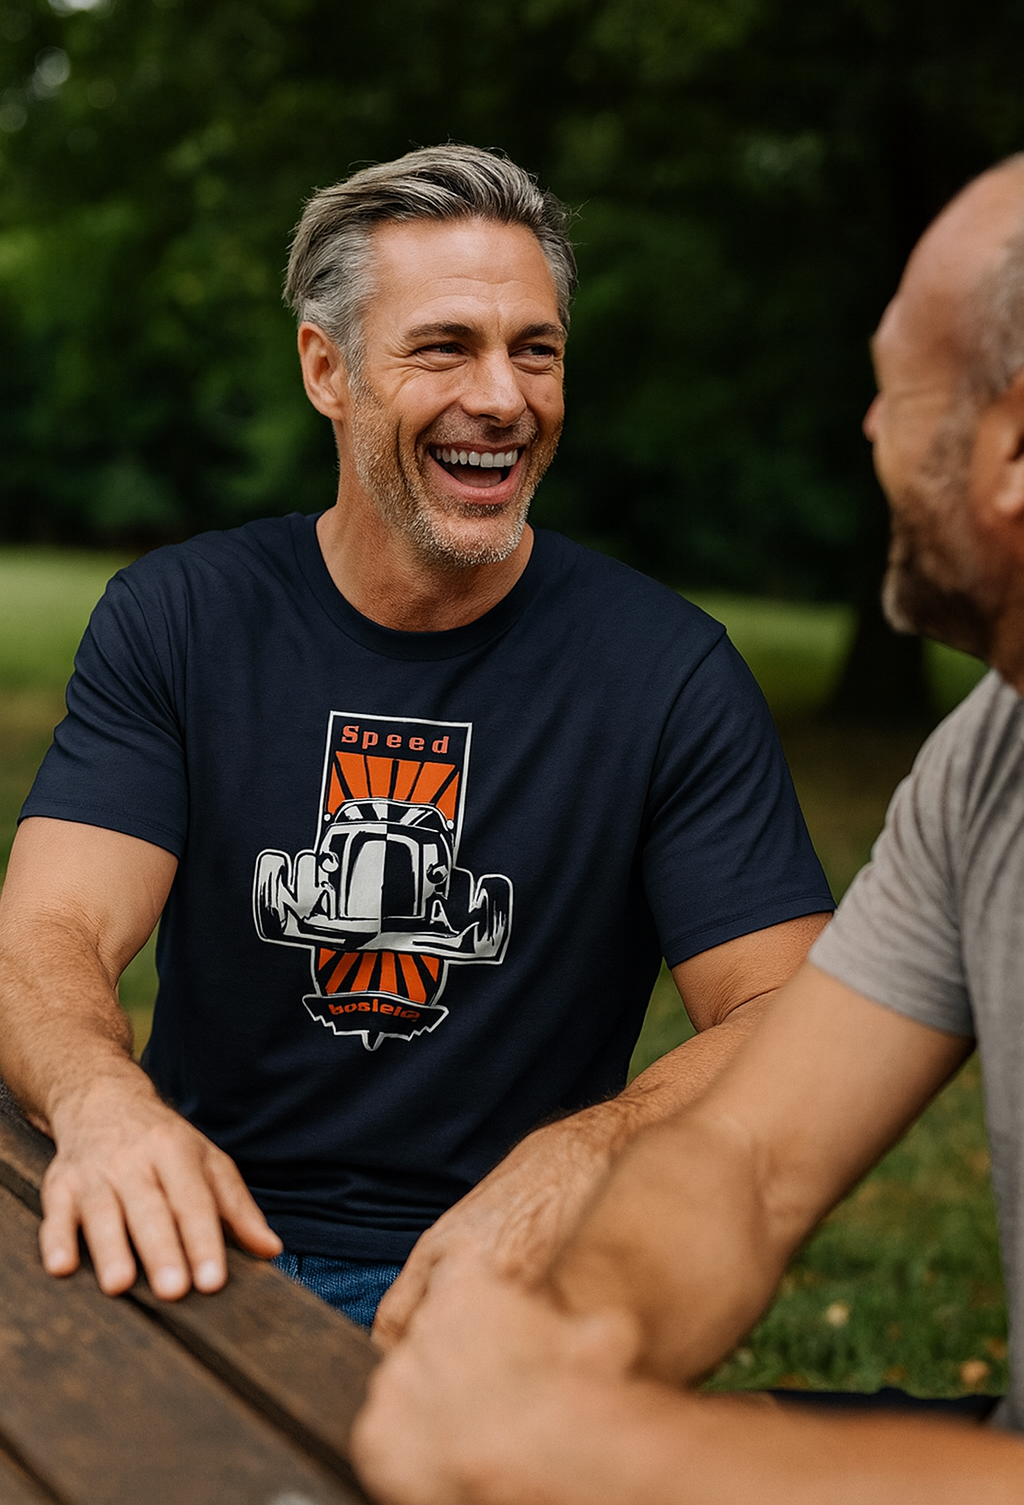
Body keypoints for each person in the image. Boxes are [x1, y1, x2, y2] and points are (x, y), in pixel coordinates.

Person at [0, 145, 832, 1330]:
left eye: (533, 350)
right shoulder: (183, 616)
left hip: (493, 1264)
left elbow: (793, 1014)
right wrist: (103, 1105)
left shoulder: (666, 671)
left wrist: (588, 1153)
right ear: (326, 369)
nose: (502, 397)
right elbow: (44, 932)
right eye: (445, 345)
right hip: (198, 1218)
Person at [349, 155, 1024, 1499]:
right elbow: (751, 1155)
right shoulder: (986, 758)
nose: (868, 436)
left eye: (893, 387)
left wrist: (623, 1451)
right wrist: (573, 1340)